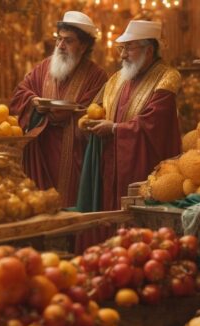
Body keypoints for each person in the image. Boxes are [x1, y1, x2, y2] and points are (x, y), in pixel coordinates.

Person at [77, 20, 181, 212]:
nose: (123, 55)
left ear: (148, 51)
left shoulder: (166, 78)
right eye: (121, 48)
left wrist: (115, 128)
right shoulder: (118, 78)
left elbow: (153, 124)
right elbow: (97, 107)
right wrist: (87, 121)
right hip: (111, 163)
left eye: (129, 48)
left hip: (143, 165)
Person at [10, 11, 108, 208]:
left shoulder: (97, 76)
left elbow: (95, 113)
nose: (60, 46)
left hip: (74, 157)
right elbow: (20, 93)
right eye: (59, 39)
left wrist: (69, 115)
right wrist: (34, 101)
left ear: (84, 45)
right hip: (40, 152)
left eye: (68, 41)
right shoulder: (44, 67)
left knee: (70, 211)